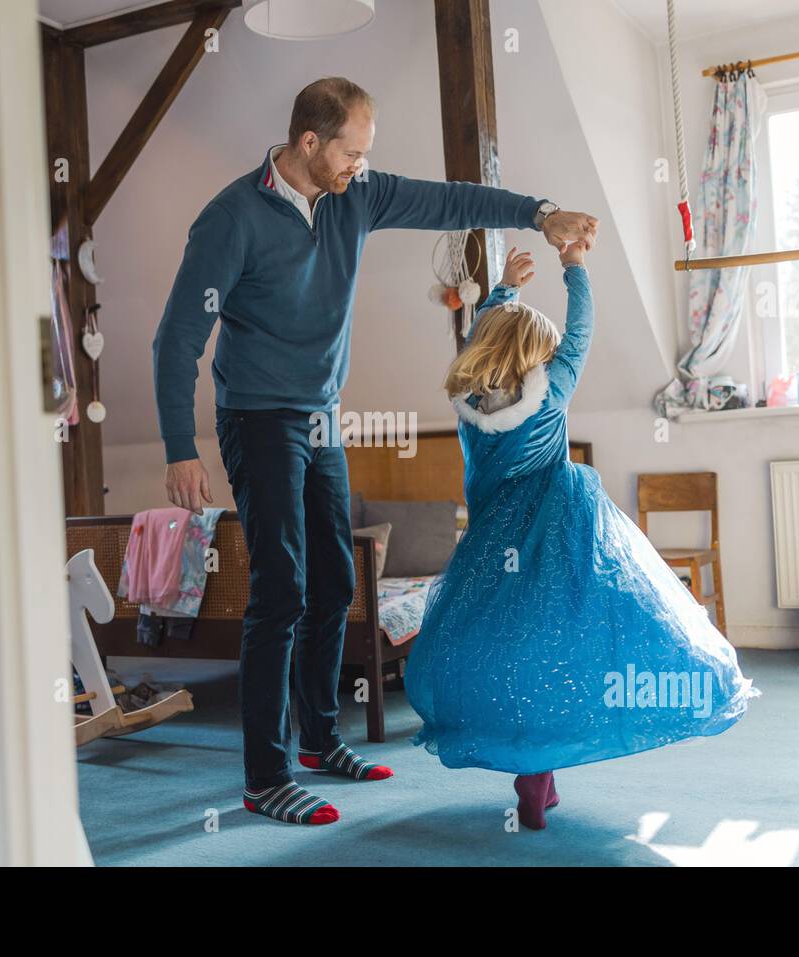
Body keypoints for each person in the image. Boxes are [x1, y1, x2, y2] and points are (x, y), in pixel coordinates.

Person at [153, 77, 599, 825]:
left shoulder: (356, 195)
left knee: (335, 580)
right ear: (308, 144)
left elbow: (448, 198)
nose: (362, 165)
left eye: (366, 154)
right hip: (257, 416)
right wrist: (177, 444)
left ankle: (321, 740)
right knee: (282, 586)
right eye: (352, 152)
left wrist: (540, 213)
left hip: (321, 415)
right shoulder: (229, 219)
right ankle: (265, 774)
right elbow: (177, 338)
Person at [404, 242, 759, 830]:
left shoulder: (464, 400)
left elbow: (474, 345)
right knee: (571, 641)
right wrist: (574, 266)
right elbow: (582, 330)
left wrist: (504, 293)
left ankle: (534, 776)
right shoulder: (554, 388)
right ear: (538, 357)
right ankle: (541, 774)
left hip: (494, 544)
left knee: (512, 650)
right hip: (557, 531)